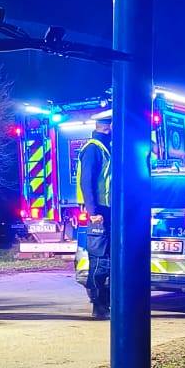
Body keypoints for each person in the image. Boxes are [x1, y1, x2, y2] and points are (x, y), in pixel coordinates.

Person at [76, 111, 112, 319]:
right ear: (107, 125)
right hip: (99, 211)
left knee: (109, 259)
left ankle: (107, 304)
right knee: (99, 259)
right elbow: (86, 183)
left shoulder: (106, 148)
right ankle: (98, 305)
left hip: (108, 210)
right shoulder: (93, 149)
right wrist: (94, 212)